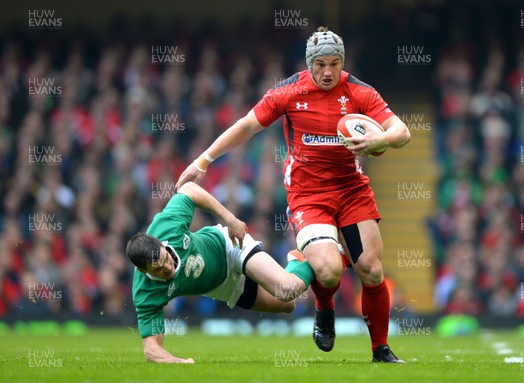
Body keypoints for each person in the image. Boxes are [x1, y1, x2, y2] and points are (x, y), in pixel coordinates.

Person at [176, 26, 411, 363]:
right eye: (320, 65)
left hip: (351, 190)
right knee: (329, 271)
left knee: (372, 270)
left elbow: (401, 132)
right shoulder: (288, 91)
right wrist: (203, 160)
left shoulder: (359, 91)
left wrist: (380, 141)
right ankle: (325, 306)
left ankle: (381, 350)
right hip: (308, 195)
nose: (328, 72)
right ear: (309, 63)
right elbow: (246, 125)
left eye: (334, 64)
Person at [126, 181, 315, 363]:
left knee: (288, 288)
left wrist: (229, 219)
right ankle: (296, 260)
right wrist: (178, 362)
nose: (167, 267)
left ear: (161, 244)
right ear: (142, 270)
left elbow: (189, 189)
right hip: (223, 287)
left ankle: (322, 252)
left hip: (229, 247)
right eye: (158, 269)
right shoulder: (145, 293)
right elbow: (151, 349)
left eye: (166, 258)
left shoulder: (166, 227)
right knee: (288, 303)